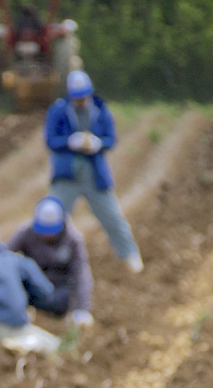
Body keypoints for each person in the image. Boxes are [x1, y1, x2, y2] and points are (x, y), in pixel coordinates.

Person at [44, 70, 143, 273]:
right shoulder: (59, 110)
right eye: (77, 97)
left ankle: (129, 255)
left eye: (83, 96)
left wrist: (98, 144)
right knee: (54, 218)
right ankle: (49, 262)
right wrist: (70, 142)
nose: (81, 100)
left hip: (94, 174)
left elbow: (110, 139)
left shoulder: (100, 110)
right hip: (67, 175)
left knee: (112, 217)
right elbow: (51, 140)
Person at [7, 195, 94, 326]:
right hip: (32, 286)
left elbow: (81, 274)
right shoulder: (26, 233)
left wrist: (83, 309)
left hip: (58, 290)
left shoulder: (73, 240)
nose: (47, 236)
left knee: (62, 301)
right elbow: (4, 255)